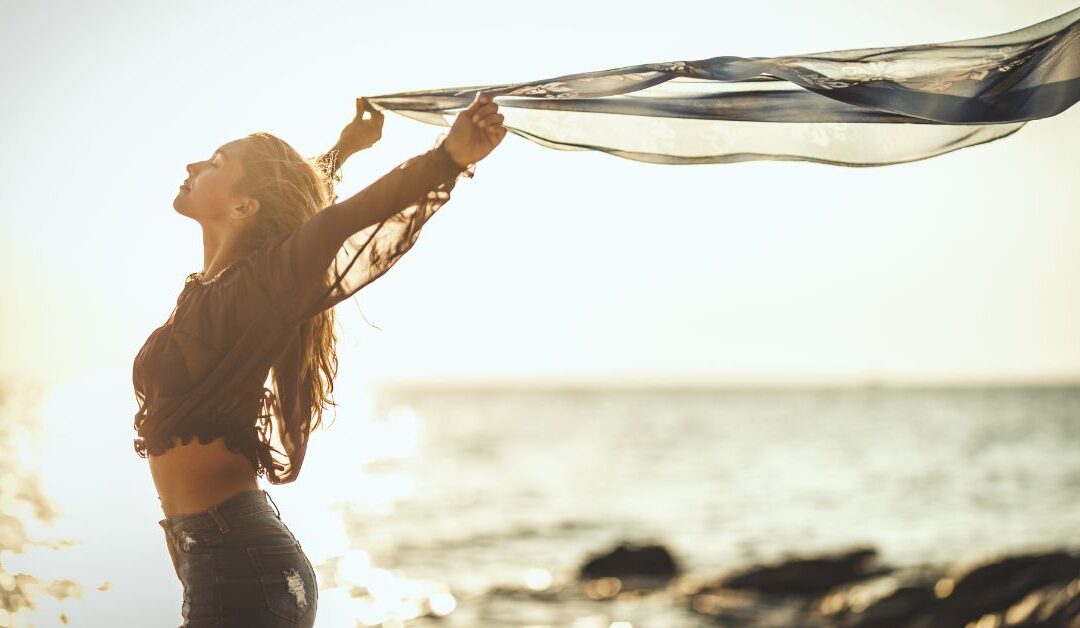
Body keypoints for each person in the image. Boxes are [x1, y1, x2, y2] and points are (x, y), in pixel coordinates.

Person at [135, 92, 506, 626]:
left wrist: (446, 158)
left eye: (216, 163)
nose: (194, 165)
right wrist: (343, 151)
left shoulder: (261, 284)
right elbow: (288, 207)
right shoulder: (222, 285)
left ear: (243, 206)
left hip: (240, 563)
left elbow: (332, 227)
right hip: (217, 557)